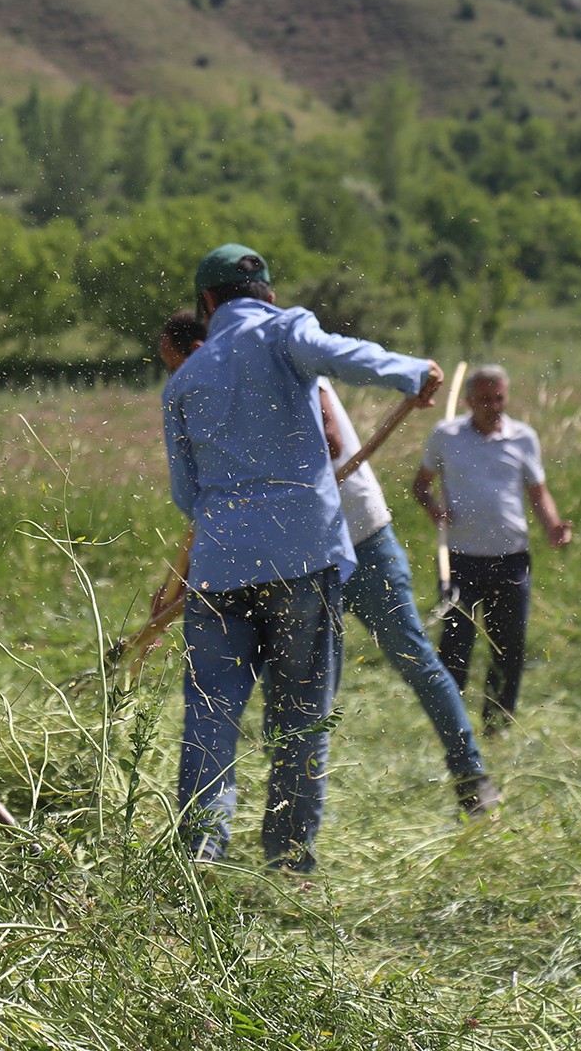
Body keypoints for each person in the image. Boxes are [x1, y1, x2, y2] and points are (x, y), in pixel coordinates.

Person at [163, 245, 441, 872]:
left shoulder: (183, 383)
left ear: (207, 304)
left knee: (211, 716)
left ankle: (200, 858)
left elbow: (187, 495)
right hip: (300, 561)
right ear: (266, 293)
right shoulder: (288, 332)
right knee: (300, 715)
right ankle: (289, 862)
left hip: (219, 568)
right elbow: (347, 355)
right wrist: (412, 373)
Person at [156, 314, 499, 818]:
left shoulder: (279, 363)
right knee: (288, 691)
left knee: (410, 655)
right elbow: (209, 502)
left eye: (180, 362)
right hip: (296, 555)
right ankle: (289, 821)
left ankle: (470, 774)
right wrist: (177, 581)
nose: (186, 375)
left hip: (359, 535)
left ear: (204, 346)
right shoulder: (215, 389)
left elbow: (333, 445)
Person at [414, 365, 572, 732]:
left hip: (512, 557)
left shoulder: (523, 438)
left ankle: (497, 725)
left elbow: (537, 491)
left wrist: (552, 526)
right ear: (468, 400)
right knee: (455, 645)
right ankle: (451, 727)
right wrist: (434, 508)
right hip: (460, 560)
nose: (494, 405)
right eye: (485, 399)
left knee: (509, 646)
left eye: (499, 397)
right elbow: (420, 485)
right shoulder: (445, 436)